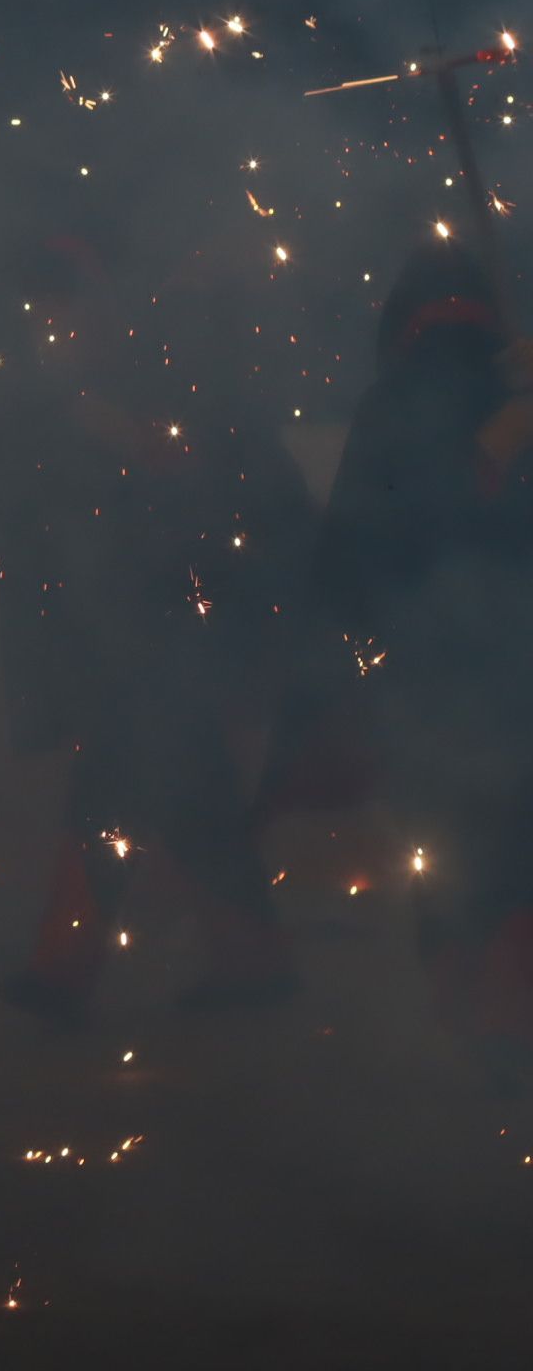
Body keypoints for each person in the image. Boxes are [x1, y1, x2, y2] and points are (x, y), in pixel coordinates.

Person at [0, 244, 311, 1020]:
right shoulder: (49, 407)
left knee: (120, 804)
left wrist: (149, 452)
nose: (54, 329)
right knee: (192, 807)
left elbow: (222, 485)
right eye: (42, 317)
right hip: (115, 653)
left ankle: (68, 973)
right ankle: (249, 968)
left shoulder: (157, 380)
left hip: (170, 647)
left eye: (65, 311)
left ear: (100, 309)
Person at [313, 243, 533, 1054]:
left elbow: (347, 559)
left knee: (457, 846)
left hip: (444, 675)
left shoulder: (390, 403)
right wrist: (499, 439)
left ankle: (473, 1021)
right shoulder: (478, 396)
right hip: (470, 672)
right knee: (500, 842)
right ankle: (495, 1021)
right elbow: (425, 519)